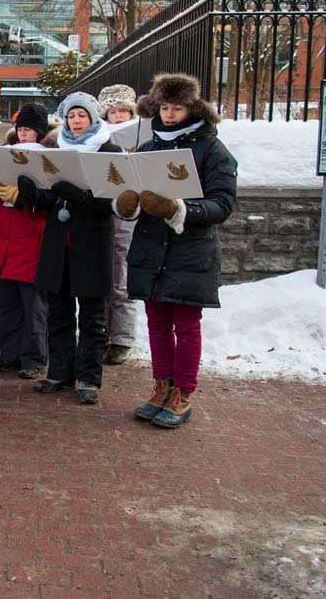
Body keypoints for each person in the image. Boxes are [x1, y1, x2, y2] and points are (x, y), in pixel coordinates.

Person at [115, 73, 237, 428]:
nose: (169, 115)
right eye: (164, 107)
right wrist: (128, 205)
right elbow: (136, 193)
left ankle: (183, 392)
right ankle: (161, 387)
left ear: (192, 108)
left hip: (190, 250)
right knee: (156, 325)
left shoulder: (213, 150)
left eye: (177, 108)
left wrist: (178, 209)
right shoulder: (149, 147)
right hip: (152, 250)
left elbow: (223, 204)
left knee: (186, 325)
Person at [18, 92, 121, 405]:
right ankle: (60, 372)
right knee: (59, 312)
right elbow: (49, 197)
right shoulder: (55, 147)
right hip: (57, 243)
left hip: (91, 242)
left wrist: (82, 198)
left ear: (92, 118)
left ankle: (88, 376)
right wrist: (33, 195)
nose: (76, 123)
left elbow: (113, 200)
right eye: (71, 117)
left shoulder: (108, 149)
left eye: (82, 116)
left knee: (92, 315)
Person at [0, 104, 51, 379]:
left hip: (30, 241)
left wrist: (21, 198)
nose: (23, 133)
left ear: (39, 133)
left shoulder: (47, 159)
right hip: (5, 240)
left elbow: (48, 203)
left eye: (29, 129)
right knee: (6, 306)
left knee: (33, 309)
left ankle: (33, 358)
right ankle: (8, 354)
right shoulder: (6, 155)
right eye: (21, 128)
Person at [99, 84, 141, 365]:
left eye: (123, 111)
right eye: (113, 112)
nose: (118, 117)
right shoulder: (98, 138)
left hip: (128, 211)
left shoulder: (141, 138)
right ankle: (99, 331)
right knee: (100, 273)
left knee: (121, 275)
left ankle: (122, 338)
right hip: (102, 209)